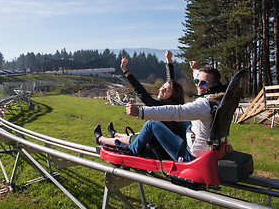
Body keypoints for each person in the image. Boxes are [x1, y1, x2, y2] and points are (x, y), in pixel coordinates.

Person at [95, 65, 227, 162]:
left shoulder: (203, 105)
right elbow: (174, 83)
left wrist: (140, 112)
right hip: (198, 146)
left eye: (203, 83)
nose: (198, 85)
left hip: (189, 155)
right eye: (196, 81)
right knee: (177, 123)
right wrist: (194, 70)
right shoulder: (219, 99)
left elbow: (176, 112)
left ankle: (130, 149)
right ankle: (116, 136)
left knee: (152, 124)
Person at [109, 50, 184, 141]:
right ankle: (115, 133)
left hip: (158, 144)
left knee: (134, 138)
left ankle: (102, 138)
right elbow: (171, 83)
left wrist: (125, 71)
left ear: (173, 95)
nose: (161, 90)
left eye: (166, 90)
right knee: (138, 134)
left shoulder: (161, 107)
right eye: (162, 87)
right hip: (166, 138)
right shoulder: (175, 105)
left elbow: (142, 93)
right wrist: (169, 61)